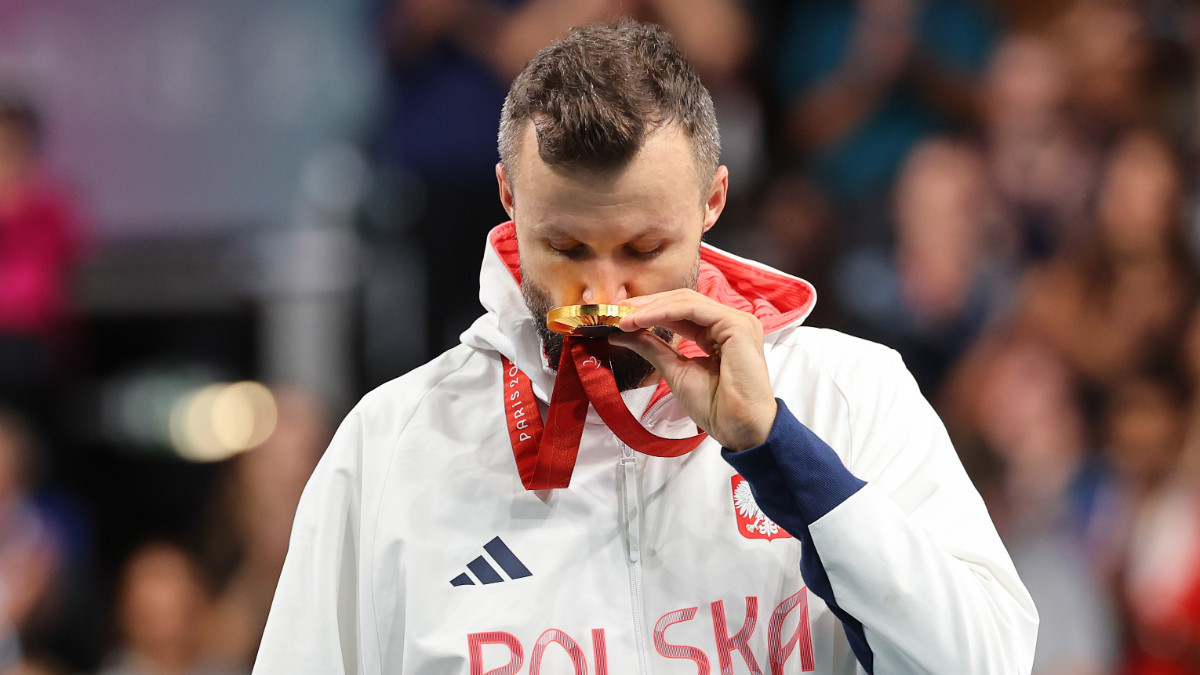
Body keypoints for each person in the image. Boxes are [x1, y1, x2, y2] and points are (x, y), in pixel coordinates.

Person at [255, 19, 1037, 674]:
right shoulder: (393, 445)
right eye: (564, 245)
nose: (604, 291)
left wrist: (779, 451)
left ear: (713, 202)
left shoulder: (851, 394)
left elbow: (985, 660)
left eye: (642, 247)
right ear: (508, 199)